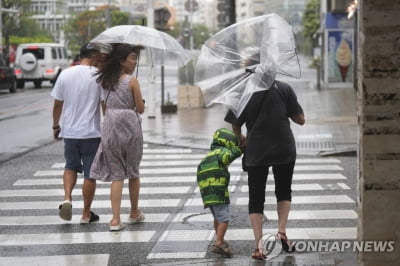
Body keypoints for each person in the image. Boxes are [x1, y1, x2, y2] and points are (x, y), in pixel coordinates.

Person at [224, 79, 305, 260]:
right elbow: (300, 120)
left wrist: (241, 138)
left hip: (257, 150)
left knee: (256, 197)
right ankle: (282, 231)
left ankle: (259, 246)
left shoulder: (245, 91)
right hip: (284, 147)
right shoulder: (284, 88)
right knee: (284, 190)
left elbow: (235, 125)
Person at [89, 43, 145, 231]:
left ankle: (115, 220)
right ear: (122, 61)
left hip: (110, 124)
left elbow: (104, 107)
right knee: (133, 171)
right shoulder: (132, 81)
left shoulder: (105, 81)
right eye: (132, 58)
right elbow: (140, 108)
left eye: (136, 58)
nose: (135, 62)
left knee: (117, 174)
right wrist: (140, 101)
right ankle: (134, 212)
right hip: (130, 124)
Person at [51, 43, 104, 223]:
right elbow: (104, 105)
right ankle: (86, 214)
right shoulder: (98, 76)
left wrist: (55, 126)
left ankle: (67, 198)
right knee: (90, 174)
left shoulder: (66, 73)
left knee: (70, 166)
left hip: (70, 133)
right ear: (94, 56)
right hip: (91, 133)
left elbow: (57, 104)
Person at [197, 128, 243, 257]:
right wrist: (240, 149)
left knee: (217, 217)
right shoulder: (222, 152)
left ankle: (219, 238)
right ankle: (218, 243)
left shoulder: (209, 155)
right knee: (224, 218)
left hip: (206, 192)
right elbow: (227, 157)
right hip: (218, 191)